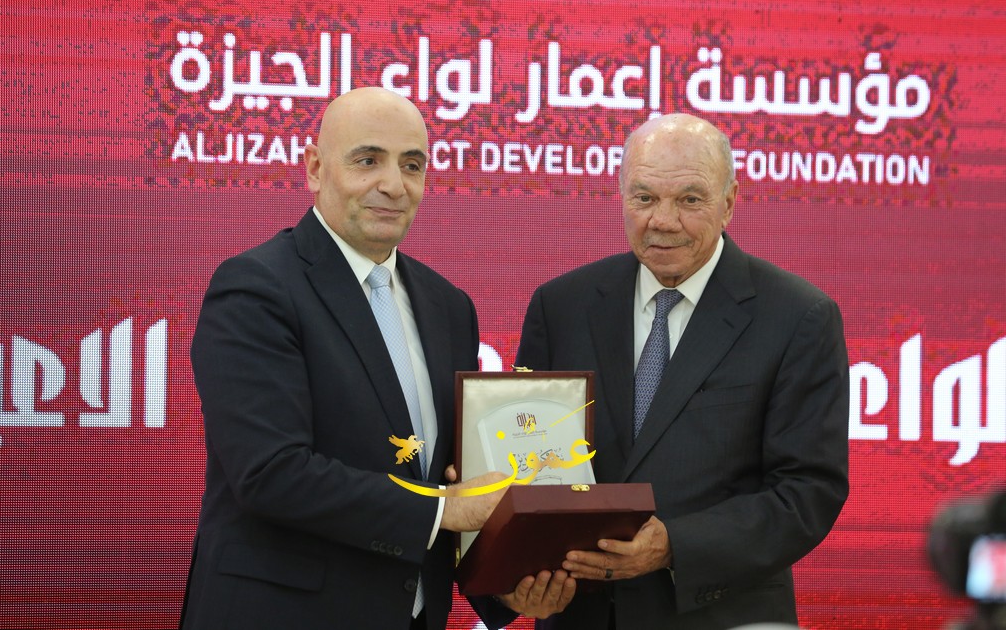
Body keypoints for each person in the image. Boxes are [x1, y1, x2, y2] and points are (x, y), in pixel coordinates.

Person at [178, 87, 566, 630]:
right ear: (315, 168)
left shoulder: (449, 307)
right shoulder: (256, 288)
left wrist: (506, 587)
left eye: (412, 165)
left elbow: (452, 477)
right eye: (368, 160)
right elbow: (270, 473)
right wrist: (444, 508)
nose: (394, 185)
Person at [514, 114, 850, 629]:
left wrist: (675, 545)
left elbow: (807, 491)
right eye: (644, 198)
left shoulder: (798, 317)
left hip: (720, 615)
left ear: (729, 202)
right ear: (621, 196)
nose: (663, 221)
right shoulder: (561, 306)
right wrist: (515, 582)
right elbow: (523, 460)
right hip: (578, 614)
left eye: (690, 200)